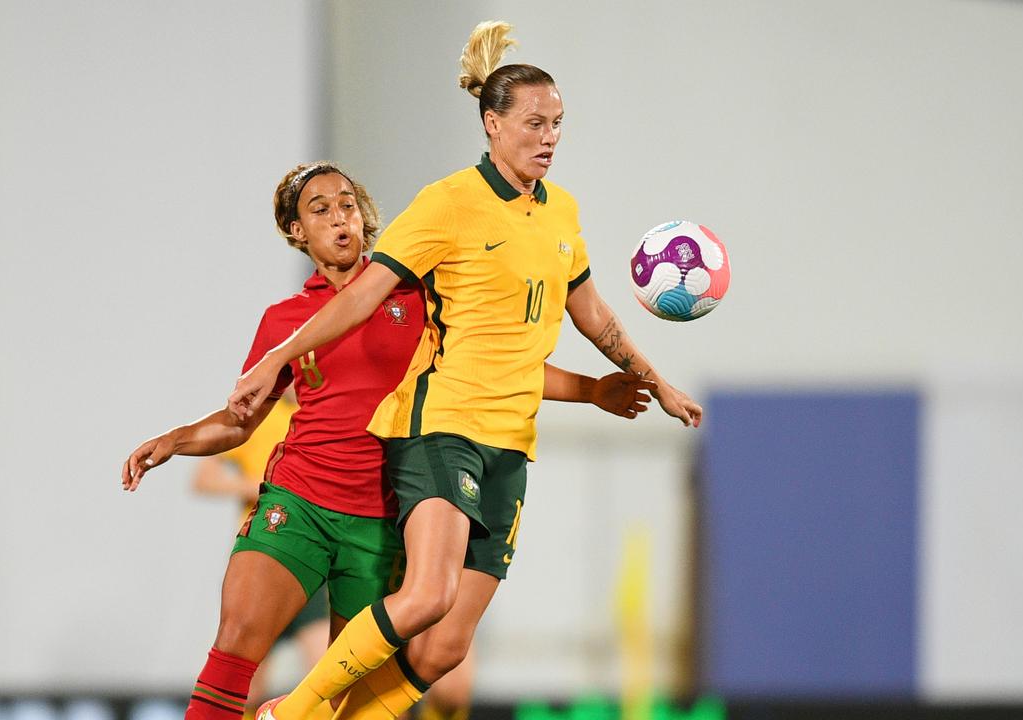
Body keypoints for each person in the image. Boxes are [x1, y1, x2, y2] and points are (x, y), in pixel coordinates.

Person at [227, 21, 703, 720]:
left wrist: (647, 381)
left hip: (513, 443)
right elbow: (362, 295)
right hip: (442, 430)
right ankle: (288, 714)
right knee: (427, 595)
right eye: (535, 123)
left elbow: (592, 314)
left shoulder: (562, 214)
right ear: (492, 123)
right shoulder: (447, 203)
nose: (549, 137)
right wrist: (277, 356)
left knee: (445, 647)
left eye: (558, 124)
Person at [122, 161, 658, 720]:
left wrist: (591, 389)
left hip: (383, 521)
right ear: (297, 231)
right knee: (237, 641)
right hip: (299, 501)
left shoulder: (417, 296)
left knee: (346, 697)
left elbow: (492, 369)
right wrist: (175, 441)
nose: (340, 219)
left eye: (348, 204)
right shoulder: (285, 322)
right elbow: (240, 420)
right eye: (321, 209)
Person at [191, 390, 331, 711]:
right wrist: (263, 486)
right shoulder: (260, 416)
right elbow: (204, 479)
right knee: (247, 688)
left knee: (325, 675)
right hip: (263, 562)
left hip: (313, 562)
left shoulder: (326, 419)